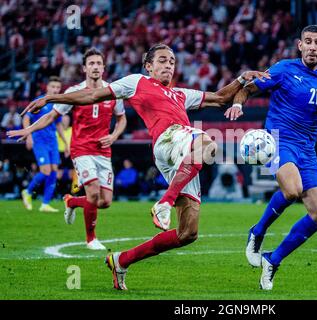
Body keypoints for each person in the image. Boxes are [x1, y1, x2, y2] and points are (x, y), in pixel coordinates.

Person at [19, 43, 268, 290]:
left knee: (188, 234)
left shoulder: (181, 94)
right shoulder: (136, 82)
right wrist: (52, 97)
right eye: (162, 60)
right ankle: (164, 202)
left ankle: (121, 261)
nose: (168, 65)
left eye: (171, 61)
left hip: (183, 155)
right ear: (148, 66)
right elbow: (92, 95)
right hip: (168, 139)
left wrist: (241, 79)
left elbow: (221, 98)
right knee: (208, 143)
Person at [226, 25, 317, 290]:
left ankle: (273, 260)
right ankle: (258, 231)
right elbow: (249, 88)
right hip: (278, 140)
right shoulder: (283, 69)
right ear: (300, 45)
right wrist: (237, 103)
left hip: (307, 149)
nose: (312, 46)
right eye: (308, 42)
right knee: (292, 190)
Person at [8, 48, 127, 250]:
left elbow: (121, 118)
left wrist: (114, 135)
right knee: (93, 191)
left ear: (104, 68)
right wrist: (28, 129)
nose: (95, 66)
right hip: (81, 149)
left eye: (99, 63)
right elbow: (51, 116)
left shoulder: (113, 92)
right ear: (84, 68)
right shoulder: (73, 92)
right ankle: (91, 239)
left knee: (105, 201)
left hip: (103, 152)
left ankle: (71, 201)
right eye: (91, 63)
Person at [20, 76, 69, 212]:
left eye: (58, 87)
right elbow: (26, 118)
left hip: (52, 141)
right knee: (46, 170)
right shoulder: (39, 101)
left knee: (54, 171)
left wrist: (66, 143)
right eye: (53, 87)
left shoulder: (57, 104)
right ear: (47, 87)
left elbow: (58, 124)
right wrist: (28, 135)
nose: (55, 89)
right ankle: (28, 192)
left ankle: (45, 204)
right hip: (39, 139)